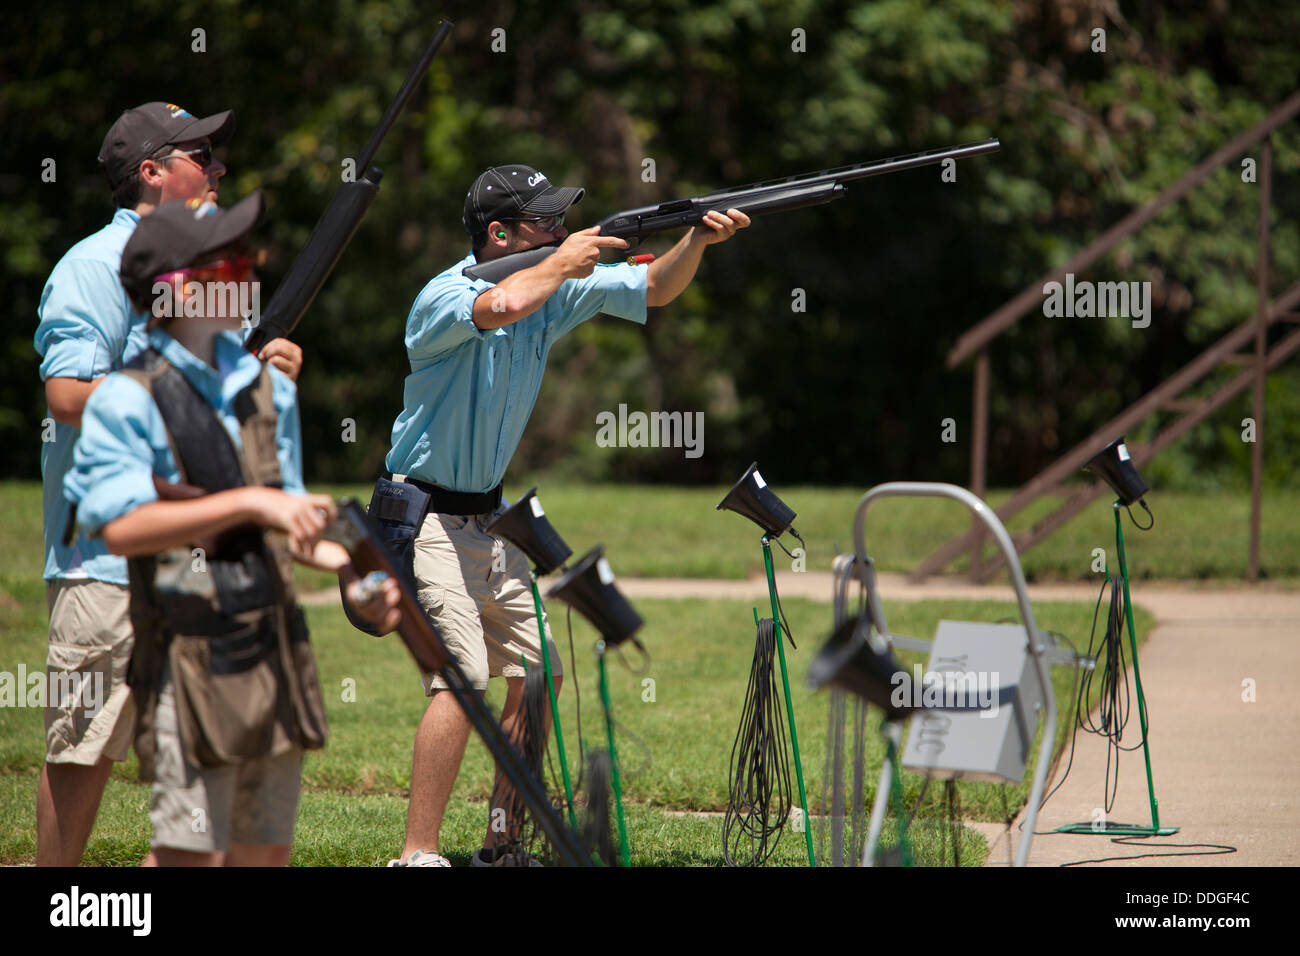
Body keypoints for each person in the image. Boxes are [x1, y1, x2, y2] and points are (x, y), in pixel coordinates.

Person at [380, 164, 748, 866]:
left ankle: (501, 844)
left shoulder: (552, 286)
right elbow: (503, 305)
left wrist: (696, 239)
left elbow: (655, 287)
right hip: (422, 512)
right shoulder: (444, 295)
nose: (557, 229)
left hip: (488, 518)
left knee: (539, 671)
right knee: (461, 675)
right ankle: (417, 855)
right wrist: (562, 260)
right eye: (543, 221)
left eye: (558, 221)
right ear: (499, 234)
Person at [64, 193, 400, 866]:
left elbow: (291, 522)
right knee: (190, 857)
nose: (250, 275)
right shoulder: (129, 397)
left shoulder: (271, 389)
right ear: (178, 290)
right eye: (232, 264)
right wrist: (251, 503)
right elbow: (123, 527)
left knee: (261, 857)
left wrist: (349, 568)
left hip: (275, 655)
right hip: (188, 665)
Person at [33, 102, 303, 866]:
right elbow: (66, 393)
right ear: (150, 172)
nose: (218, 168)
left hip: (197, 561)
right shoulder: (93, 265)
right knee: (84, 752)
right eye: (200, 155)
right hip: (106, 564)